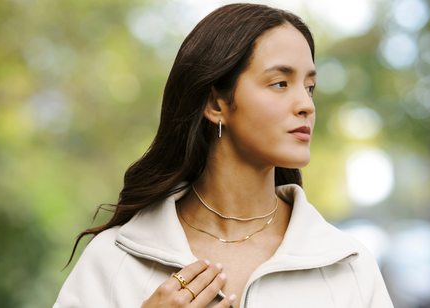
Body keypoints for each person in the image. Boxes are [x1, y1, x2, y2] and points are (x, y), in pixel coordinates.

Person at [53, 3, 393, 308]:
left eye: (309, 87)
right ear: (216, 104)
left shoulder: (347, 266)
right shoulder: (113, 260)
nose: (306, 105)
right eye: (280, 83)